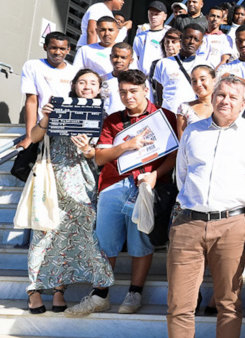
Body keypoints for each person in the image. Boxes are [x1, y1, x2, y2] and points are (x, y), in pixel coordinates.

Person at [64, 70, 177, 317]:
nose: (128, 96)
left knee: (140, 240)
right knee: (105, 242)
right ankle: (99, 295)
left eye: (133, 91)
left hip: (147, 186)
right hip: (113, 185)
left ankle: (134, 293)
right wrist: (127, 145)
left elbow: (174, 155)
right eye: (123, 92)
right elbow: (100, 158)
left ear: (146, 90)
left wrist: (155, 175)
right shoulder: (113, 120)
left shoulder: (164, 116)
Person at [167, 75, 245, 338]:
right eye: (221, 95)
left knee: (229, 304)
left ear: (243, 104)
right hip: (188, 223)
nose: (225, 101)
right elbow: (182, 175)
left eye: (233, 97)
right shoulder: (192, 131)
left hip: (231, 225)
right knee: (179, 305)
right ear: (212, 98)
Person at [26, 69, 114, 315]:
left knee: (74, 235)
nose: (87, 86)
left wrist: (87, 149)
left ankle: (59, 289)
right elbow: (34, 137)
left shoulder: (103, 116)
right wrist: (45, 117)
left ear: (99, 89)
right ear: (74, 85)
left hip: (82, 182)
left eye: (93, 83)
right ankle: (34, 290)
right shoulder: (57, 107)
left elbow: (97, 155)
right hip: (51, 178)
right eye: (82, 82)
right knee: (43, 233)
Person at [19, 32, 80, 149]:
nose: (57, 52)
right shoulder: (32, 66)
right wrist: (29, 136)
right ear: (45, 47)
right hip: (41, 128)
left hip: (66, 130)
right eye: (53, 48)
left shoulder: (75, 72)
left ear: (68, 50)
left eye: (62, 49)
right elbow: (31, 101)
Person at [151, 24, 208, 113]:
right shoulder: (163, 63)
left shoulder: (205, 66)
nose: (192, 42)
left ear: (201, 43)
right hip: (169, 114)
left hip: (194, 115)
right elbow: (159, 92)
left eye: (196, 39)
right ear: (181, 39)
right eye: (188, 37)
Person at [176, 65, 215, 138]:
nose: (198, 84)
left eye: (202, 79)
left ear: (214, 80)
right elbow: (182, 140)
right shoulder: (185, 108)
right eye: (194, 81)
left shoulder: (224, 106)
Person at [133, 1, 170, 75]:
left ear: (165, 16)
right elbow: (135, 57)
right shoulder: (140, 36)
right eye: (151, 14)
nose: (153, 17)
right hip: (143, 76)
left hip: (161, 75)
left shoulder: (169, 34)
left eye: (157, 14)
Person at [101, 43, 136, 115]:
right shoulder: (101, 80)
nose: (119, 60)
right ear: (110, 57)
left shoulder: (138, 81)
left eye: (123, 57)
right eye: (116, 56)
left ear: (131, 60)